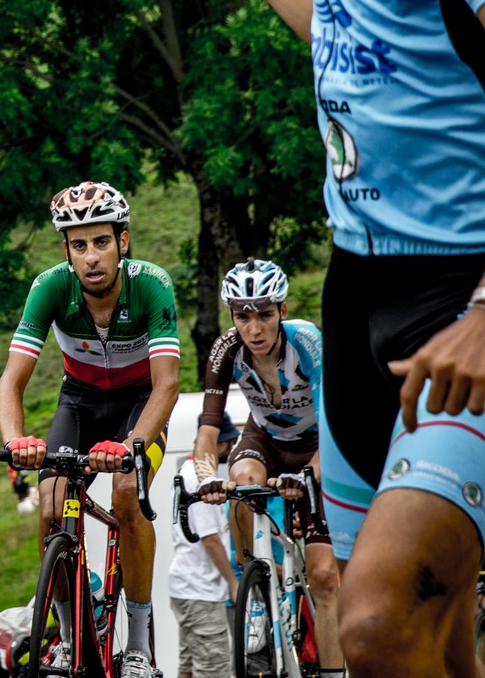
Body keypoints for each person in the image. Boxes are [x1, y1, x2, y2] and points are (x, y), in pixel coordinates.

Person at [139, 0, 485, 677]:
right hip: (358, 291)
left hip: (465, 283)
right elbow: (349, 30)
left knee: (377, 620)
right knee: (404, 619)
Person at [0, 181, 180, 678]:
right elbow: (12, 380)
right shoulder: (50, 287)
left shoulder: (151, 284)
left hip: (140, 404)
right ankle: (69, 631)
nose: (91, 256)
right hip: (78, 403)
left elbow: (167, 386)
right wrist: (15, 441)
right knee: (52, 504)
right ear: (67, 251)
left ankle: (140, 645)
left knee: (126, 492)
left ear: (122, 241)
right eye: (79, 245)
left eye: (101, 241)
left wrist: (131, 446)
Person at [195, 259, 341, 677]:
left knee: (325, 576)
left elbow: (333, 427)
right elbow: (208, 431)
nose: (254, 329)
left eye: (264, 315)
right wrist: (207, 478)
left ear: (282, 310)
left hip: (318, 447)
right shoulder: (226, 350)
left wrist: (309, 474)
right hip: (266, 441)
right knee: (241, 484)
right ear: (232, 317)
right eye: (243, 317)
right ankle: (254, 589)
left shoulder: (307, 343)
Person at [170, 414, 238, 678]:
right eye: (230, 443)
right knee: (214, 670)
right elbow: (210, 538)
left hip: (186, 586)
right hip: (202, 591)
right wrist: (232, 582)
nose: (230, 450)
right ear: (218, 443)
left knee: (187, 667)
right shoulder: (200, 479)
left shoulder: (186, 471)